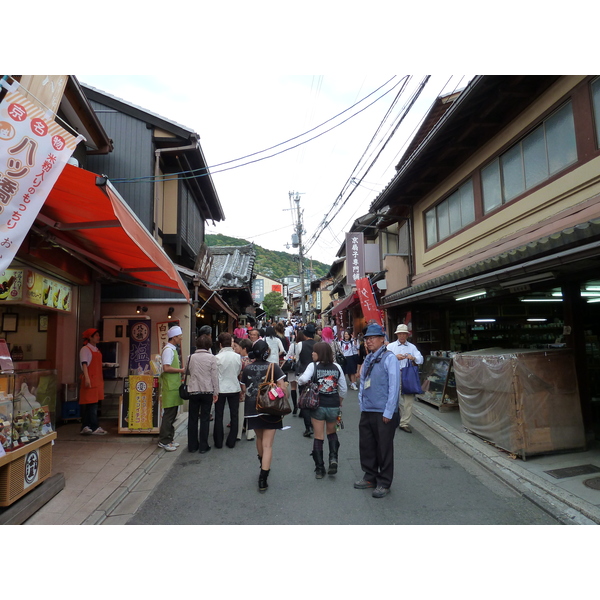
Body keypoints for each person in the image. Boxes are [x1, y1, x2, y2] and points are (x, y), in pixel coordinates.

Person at [354, 323, 400, 498]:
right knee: (367, 445)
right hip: (368, 409)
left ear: (382, 339)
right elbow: (362, 382)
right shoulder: (368, 358)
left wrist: (389, 411)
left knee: (384, 448)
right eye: (367, 338)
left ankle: (384, 481)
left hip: (383, 411)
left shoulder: (390, 358)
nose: (369, 341)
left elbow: (394, 386)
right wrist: (361, 403)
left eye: (373, 338)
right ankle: (370, 476)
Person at [240, 340, 287, 492]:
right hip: (270, 408)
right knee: (268, 445)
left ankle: (262, 465)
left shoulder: (247, 368)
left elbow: (244, 388)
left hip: (252, 408)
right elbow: (283, 387)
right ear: (267, 352)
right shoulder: (274, 367)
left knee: (260, 439)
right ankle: (263, 478)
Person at [297, 342, 347, 479]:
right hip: (334, 406)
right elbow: (343, 388)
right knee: (332, 433)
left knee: (319, 436)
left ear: (320, 353)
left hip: (318, 405)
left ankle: (319, 468)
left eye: (315, 351)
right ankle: (333, 459)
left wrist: (301, 380)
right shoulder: (337, 367)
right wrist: (340, 401)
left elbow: (303, 380)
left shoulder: (313, 366)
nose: (312, 353)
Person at [387, 324, 423, 434]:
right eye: (400, 334)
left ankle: (404, 423)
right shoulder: (391, 346)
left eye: (404, 334)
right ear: (397, 334)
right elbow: (384, 359)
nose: (402, 336)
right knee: (392, 398)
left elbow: (420, 359)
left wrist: (413, 358)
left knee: (408, 401)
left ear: (407, 335)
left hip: (408, 376)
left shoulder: (412, 347)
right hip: (394, 375)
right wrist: (394, 357)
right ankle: (392, 418)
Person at [187, 334, 219, 453]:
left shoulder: (190, 357)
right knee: (205, 418)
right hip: (207, 390)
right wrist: (216, 392)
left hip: (193, 390)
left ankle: (192, 445)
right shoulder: (212, 358)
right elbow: (214, 377)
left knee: (193, 418)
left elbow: (188, 371)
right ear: (209, 345)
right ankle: (203, 446)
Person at [158, 325, 185, 451]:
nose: (181, 338)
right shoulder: (168, 350)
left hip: (173, 385)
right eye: (179, 336)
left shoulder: (172, 349)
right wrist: (181, 370)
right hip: (170, 386)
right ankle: (164, 440)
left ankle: (169, 439)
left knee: (172, 414)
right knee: (169, 414)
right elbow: (166, 367)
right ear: (174, 337)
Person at [215, 332, 242, 449]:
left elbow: (215, 374)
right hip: (234, 387)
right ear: (230, 344)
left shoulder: (217, 357)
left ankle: (218, 441)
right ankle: (231, 441)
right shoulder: (237, 357)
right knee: (234, 415)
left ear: (220, 344)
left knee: (219, 415)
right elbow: (238, 371)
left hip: (220, 388)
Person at [78, 328, 107, 435]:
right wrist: (87, 378)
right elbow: (84, 364)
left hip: (97, 379)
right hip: (90, 379)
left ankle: (86, 426)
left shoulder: (96, 349)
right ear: (90, 337)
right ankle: (94, 427)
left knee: (91, 404)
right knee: (92, 404)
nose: (98, 337)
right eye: (96, 335)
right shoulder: (85, 349)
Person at [295, 324, 317, 437]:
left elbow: (297, 358)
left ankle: (308, 427)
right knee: (315, 397)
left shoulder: (300, 344)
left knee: (304, 400)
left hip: (304, 373)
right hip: (316, 374)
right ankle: (315, 423)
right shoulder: (319, 345)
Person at [283, 331, 301, 415]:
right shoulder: (304, 345)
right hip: (301, 368)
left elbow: (288, 356)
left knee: (293, 387)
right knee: (302, 388)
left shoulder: (293, 345)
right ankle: (302, 407)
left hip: (293, 368)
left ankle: (295, 407)